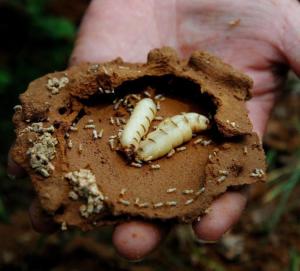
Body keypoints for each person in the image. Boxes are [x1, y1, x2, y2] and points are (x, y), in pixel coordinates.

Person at [7, 0, 300, 261]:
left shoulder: (177, 120)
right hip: (161, 123)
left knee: (159, 131)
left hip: (176, 123)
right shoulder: (144, 121)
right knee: (148, 132)